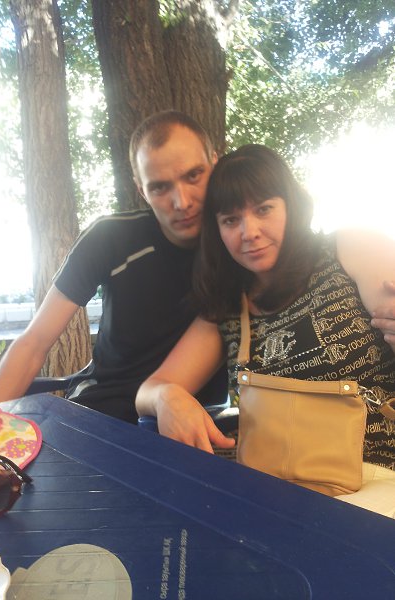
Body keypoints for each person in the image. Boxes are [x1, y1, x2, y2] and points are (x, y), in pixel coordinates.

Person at [136, 144, 395, 511]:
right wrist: (167, 397)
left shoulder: (348, 248)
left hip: (374, 480)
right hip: (270, 491)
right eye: (230, 220)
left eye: (263, 209)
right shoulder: (227, 310)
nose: (250, 232)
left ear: (291, 206)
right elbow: (150, 390)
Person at [0, 110, 229, 425]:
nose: (181, 201)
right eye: (159, 187)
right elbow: (34, 342)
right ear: (141, 190)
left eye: (193, 175)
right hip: (99, 413)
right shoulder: (110, 239)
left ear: (215, 164)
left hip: (195, 422)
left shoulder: (241, 250)